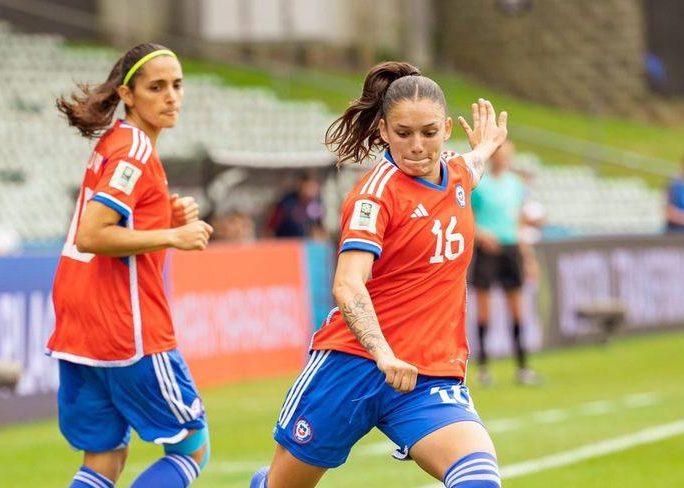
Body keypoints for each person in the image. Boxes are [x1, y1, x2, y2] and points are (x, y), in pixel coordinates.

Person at [250, 62, 509, 488]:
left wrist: (485, 148)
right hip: (353, 365)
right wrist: (383, 353)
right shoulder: (375, 195)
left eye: (428, 132)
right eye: (403, 133)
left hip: (426, 376)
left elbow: (470, 169)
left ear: (446, 128)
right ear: (384, 131)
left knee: (479, 478)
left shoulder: (457, 174)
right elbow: (347, 284)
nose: (417, 145)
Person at [51, 43, 214, 488]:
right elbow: (93, 233)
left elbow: (116, 221)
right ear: (128, 93)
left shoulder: (113, 143)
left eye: (177, 86)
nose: (171, 97)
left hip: (78, 325)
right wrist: (173, 235)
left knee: (103, 459)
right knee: (192, 446)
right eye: (156, 87)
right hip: (126, 325)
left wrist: (163, 215)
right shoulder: (135, 151)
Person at [469, 140, 538, 387]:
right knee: (484, 309)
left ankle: (522, 366)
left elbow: (519, 222)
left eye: (508, 154)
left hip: (510, 250)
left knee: (517, 309)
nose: (503, 158)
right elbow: (467, 216)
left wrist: (527, 258)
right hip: (487, 250)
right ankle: (484, 367)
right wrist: (480, 234)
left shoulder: (516, 185)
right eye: (500, 154)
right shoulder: (479, 185)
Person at [266, 174, 326, 239]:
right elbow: (271, 227)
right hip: (285, 242)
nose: (312, 191)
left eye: (314, 188)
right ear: (301, 186)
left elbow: (319, 228)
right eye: (308, 187)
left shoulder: (316, 204)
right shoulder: (287, 203)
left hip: (305, 245)